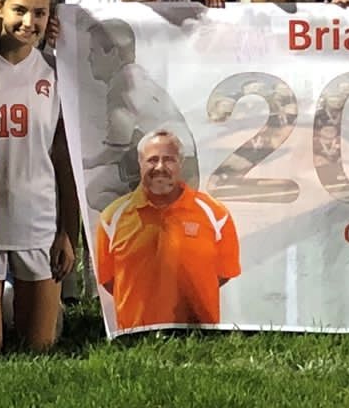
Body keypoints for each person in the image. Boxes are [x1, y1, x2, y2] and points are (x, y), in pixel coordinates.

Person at [0, 0, 81, 351]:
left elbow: (63, 157)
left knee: (40, 345)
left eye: (39, 13)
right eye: (19, 10)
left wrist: (67, 231)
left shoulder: (55, 70)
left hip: (36, 215)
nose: (29, 22)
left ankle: (34, 304)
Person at [95, 130, 240, 331]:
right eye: (152, 160)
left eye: (169, 160)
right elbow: (109, 281)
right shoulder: (112, 218)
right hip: (134, 336)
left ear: (181, 163)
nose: (160, 167)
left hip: (200, 337)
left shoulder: (215, 214)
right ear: (140, 163)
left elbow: (224, 274)